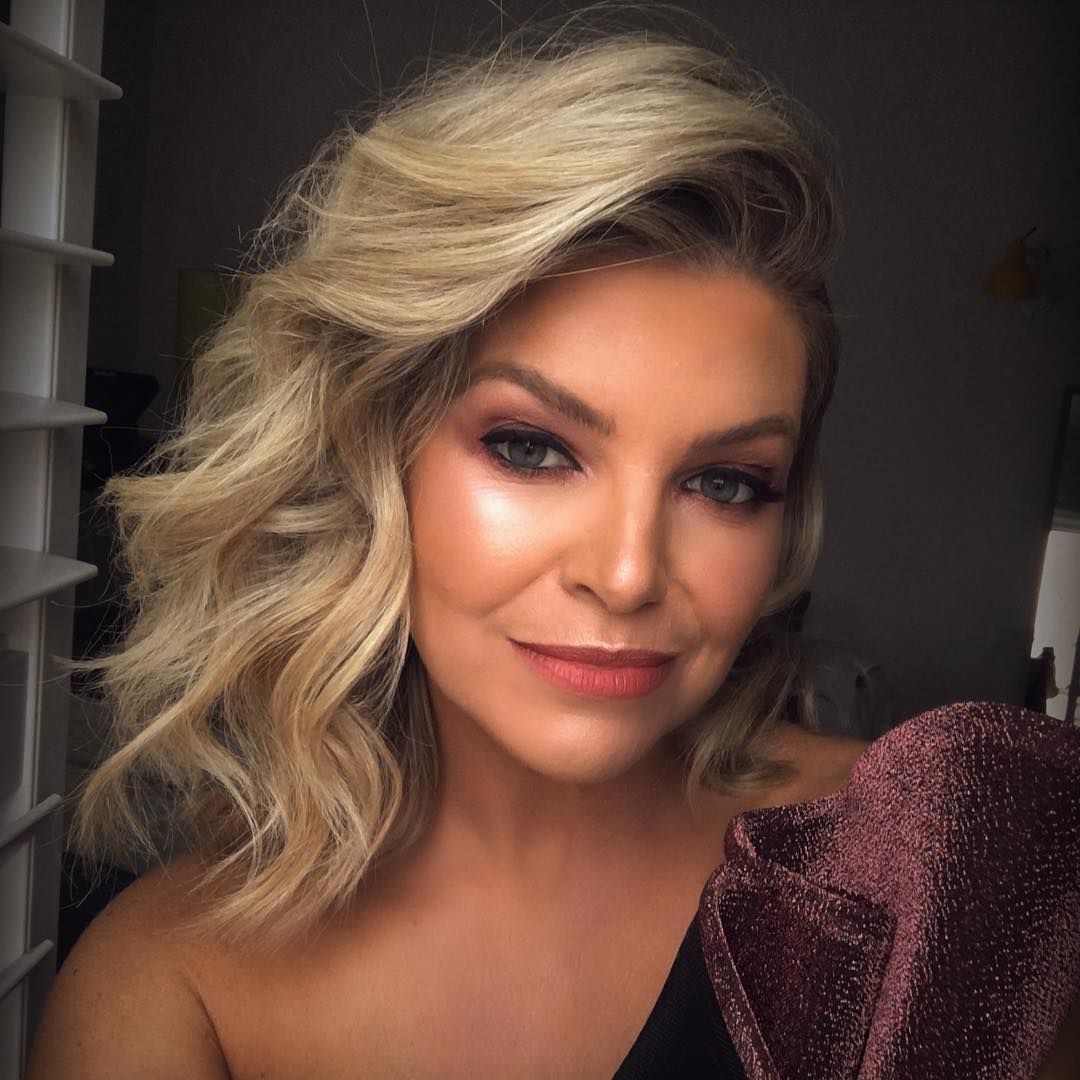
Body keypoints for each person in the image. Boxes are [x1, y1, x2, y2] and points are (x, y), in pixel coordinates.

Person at [27, 16, 1079, 1080]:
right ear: (373, 460)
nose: (626, 575)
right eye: (530, 448)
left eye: (724, 482)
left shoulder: (932, 878)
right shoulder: (174, 987)